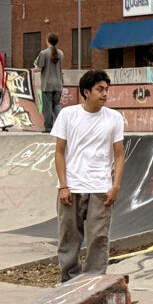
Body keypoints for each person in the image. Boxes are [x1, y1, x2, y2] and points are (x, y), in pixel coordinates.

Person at [52, 69, 124, 283]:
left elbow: (119, 155)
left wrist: (116, 185)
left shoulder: (114, 118)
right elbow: (59, 152)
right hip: (72, 187)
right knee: (68, 237)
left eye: (106, 90)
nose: (105, 94)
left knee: (98, 238)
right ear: (86, 92)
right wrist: (63, 186)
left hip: (100, 188)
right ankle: (69, 281)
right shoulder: (68, 115)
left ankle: (93, 283)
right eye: (100, 89)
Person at [32, 32, 63, 132]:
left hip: (47, 84)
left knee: (47, 107)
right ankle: (62, 124)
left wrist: (31, 70)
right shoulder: (61, 53)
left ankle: (48, 128)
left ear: (47, 41)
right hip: (58, 83)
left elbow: (39, 67)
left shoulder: (44, 53)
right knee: (56, 105)